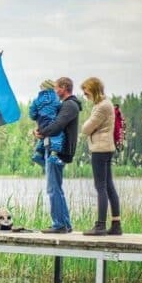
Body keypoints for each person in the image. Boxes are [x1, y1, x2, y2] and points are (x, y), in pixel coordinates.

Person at [34, 77, 80, 234]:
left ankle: (59, 225)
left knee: (53, 189)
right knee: (56, 188)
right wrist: (40, 130)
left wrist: (42, 132)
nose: (54, 91)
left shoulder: (69, 105)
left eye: (56, 88)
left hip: (58, 152)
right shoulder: (66, 105)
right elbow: (52, 123)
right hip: (55, 150)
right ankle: (65, 224)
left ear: (64, 87)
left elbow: (57, 125)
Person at [80, 77, 122, 236]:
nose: (85, 95)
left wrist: (86, 125)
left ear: (94, 90)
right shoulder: (105, 104)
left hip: (100, 149)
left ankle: (100, 225)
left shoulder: (102, 106)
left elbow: (86, 129)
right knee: (109, 185)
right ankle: (116, 225)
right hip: (106, 148)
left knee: (101, 187)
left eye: (86, 92)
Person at [29, 79, 65, 167]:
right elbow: (60, 109)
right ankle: (53, 155)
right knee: (58, 135)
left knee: (43, 137)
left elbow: (32, 114)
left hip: (41, 124)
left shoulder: (36, 100)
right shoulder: (55, 98)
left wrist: (36, 117)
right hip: (52, 123)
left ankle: (38, 154)